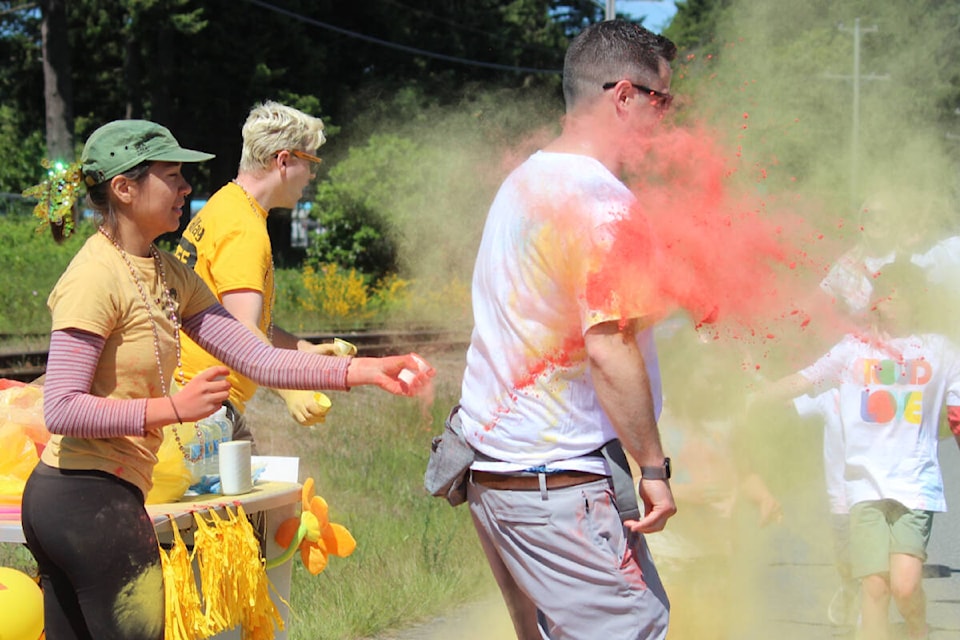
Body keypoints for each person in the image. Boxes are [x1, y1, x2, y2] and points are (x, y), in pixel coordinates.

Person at [19, 119, 433, 640]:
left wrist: (366, 370)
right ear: (124, 189)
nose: (187, 188)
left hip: (97, 501)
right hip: (82, 502)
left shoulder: (167, 273)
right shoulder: (93, 277)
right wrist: (172, 409)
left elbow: (256, 357)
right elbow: (61, 408)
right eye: (172, 176)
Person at [455, 20, 677, 640]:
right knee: (637, 627)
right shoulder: (600, 203)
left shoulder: (528, 180)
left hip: (502, 476)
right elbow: (610, 347)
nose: (667, 118)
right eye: (663, 100)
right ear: (624, 96)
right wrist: (653, 470)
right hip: (557, 482)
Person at [760, 259, 960, 640]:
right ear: (875, 303)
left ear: (918, 301)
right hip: (863, 485)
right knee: (874, 586)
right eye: (886, 296)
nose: (893, 303)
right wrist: (757, 398)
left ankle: (918, 628)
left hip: (915, 483)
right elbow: (806, 379)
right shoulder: (853, 349)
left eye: (902, 296)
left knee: (904, 586)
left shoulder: (940, 350)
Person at [174, 100, 345, 448]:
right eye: (310, 162)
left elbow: (234, 317)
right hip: (206, 408)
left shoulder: (225, 205)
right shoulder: (244, 229)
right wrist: (289, 387)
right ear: (283, 161)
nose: (312, 175)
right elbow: (244, 330)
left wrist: (301, 351)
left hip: (195, 396)